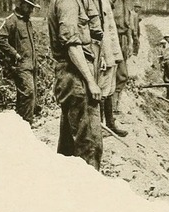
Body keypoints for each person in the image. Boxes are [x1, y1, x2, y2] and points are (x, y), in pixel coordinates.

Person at [48, 0, 104, 170]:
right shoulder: (68, 2)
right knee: (89, 145)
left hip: (75, 76)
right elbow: (71, 44)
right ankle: (89, 191)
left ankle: (68, 191)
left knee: (68, 147)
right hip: (76, 77)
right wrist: (91, 82)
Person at [0, 0, 40, 125]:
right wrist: (14, 54)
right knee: (28, 93)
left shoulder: (27, 21)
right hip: (20, 65)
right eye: (29, 7)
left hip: (31, 64)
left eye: (33, 7)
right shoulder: (11, 20)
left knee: (28, 95)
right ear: (21, 4)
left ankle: (22, 124)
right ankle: (27, 124)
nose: (31, 10)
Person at [98, 0, 127, 137]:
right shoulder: (96, 3)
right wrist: (101, 56)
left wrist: (116, 54)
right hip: (103, 53)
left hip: (111, 52)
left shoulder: (106, 3)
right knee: (103, 91)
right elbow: (96, 31)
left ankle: (110, 124)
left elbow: (111, 30)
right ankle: (101, 126)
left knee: (110, 89)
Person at [111, 0, 131, 112]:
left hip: (123, 40)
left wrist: (130, 43)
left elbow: (127, 25)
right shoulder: (112, 3)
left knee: (122, 75)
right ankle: (111, 107)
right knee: (114, 73)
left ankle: (115, 105)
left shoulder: (125, 3)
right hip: (113, 39)